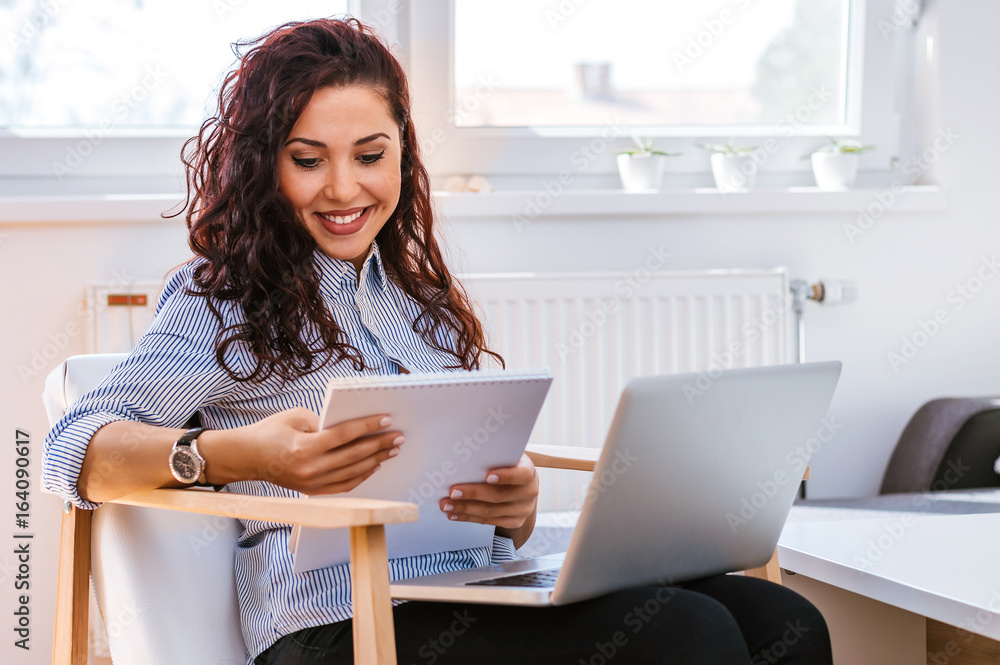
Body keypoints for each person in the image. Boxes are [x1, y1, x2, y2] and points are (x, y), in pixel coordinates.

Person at [42, 17, 833, 665]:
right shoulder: (222, 299)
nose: (345, 188)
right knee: (686, 635)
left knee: (782, 622)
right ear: (263, 167)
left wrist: (513, 505)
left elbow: (470, 493)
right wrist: (242, 455)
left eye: (371, 156)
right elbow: (71, 445)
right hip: (335, 630)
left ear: (403, 154)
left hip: (472, 595)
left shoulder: (418, 307)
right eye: (308, 160)